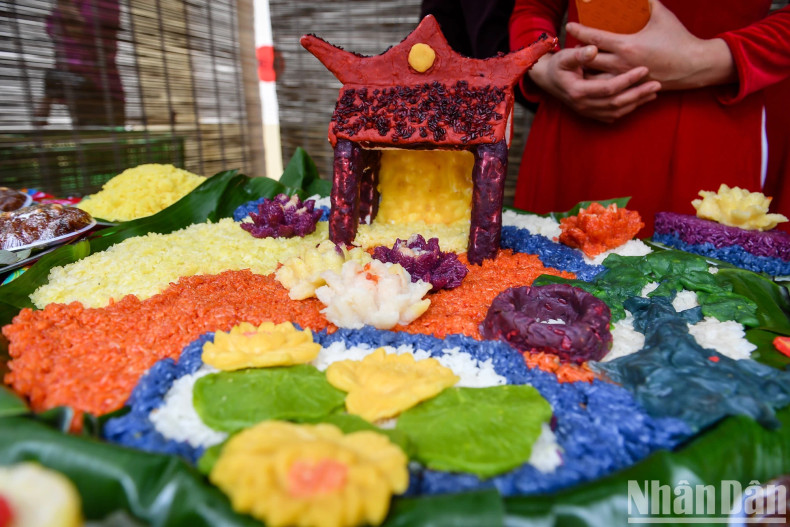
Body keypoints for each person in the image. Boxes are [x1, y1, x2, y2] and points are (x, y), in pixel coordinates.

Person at [509, 0, 790, 233]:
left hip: (707, 132)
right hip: (577, 119)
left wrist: (703, 59)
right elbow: (534, 7)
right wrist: (539, 63)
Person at [35, 0, 125, 127]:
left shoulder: (102, 4)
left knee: (99, 140)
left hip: (100, 93)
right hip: (78, 92)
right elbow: (63, 50)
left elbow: (81, 32)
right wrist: (47, 99)